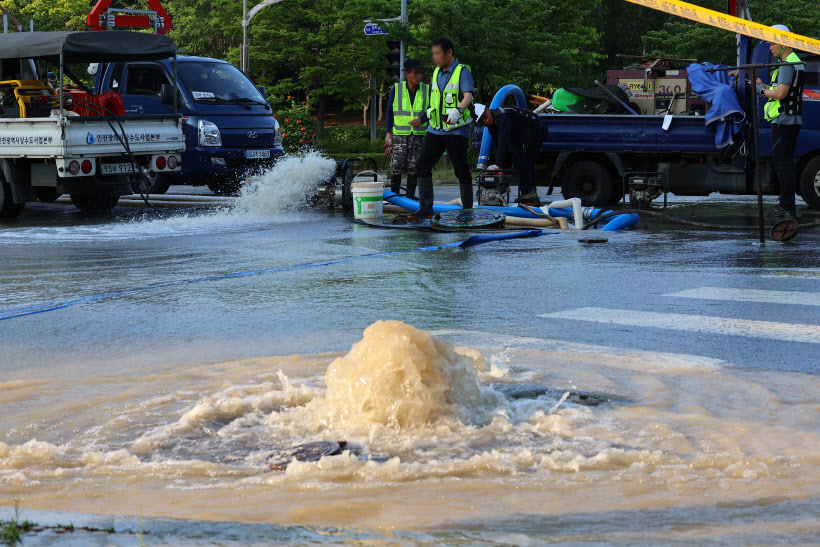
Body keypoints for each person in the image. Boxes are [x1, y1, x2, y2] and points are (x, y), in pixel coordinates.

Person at [407, 38, 475, 219]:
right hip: (435, 128)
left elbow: (468, 96)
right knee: (422, 165)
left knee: (461, 169)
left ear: (449, 52)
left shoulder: (462, 71)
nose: (435, 57)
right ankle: (425, 209)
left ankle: (467, 211)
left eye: (438, 53)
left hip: (456, 129)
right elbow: (434, 102)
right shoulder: (437, 71)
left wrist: (458, 110)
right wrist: (423, 118)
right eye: (434, 54)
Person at [756, 24, 804, 219]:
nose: (770, 47)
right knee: (785, 163)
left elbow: (781, 93)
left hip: (784, 120)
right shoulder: (794, 61)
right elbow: (782, 90)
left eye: (772, 43)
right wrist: (764, 85)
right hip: (789, 119)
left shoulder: (786, 64)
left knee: (782, 164)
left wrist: (760, 91)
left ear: (783, 44)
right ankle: (786, 205)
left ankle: (786, 206)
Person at [475, 103, 547, 206]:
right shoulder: (492, 126)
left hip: (536, 128)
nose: (484, 121)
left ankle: (529, 195)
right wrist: (498, 168)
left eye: (484, 117)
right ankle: (529, 194)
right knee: (519, 159)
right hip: (524, 133)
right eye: (481, 121)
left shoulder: (503, 116)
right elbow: (497, 146)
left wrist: (499, 165)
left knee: (520, 159)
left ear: (488, 110)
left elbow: (503, 140)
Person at [384, 59, 429, 198]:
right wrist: (388, 133)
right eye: (416, 73)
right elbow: (389, 111)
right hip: (399, 135)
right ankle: (394, 198)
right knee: (396, 166)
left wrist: (421, 120)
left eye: (420, 73)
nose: (419, 76)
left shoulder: (427, 89)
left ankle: (409, 199)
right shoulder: (396, 89)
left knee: (413, 168)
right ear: (407, 74)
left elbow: (432, 110)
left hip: (419, 135)